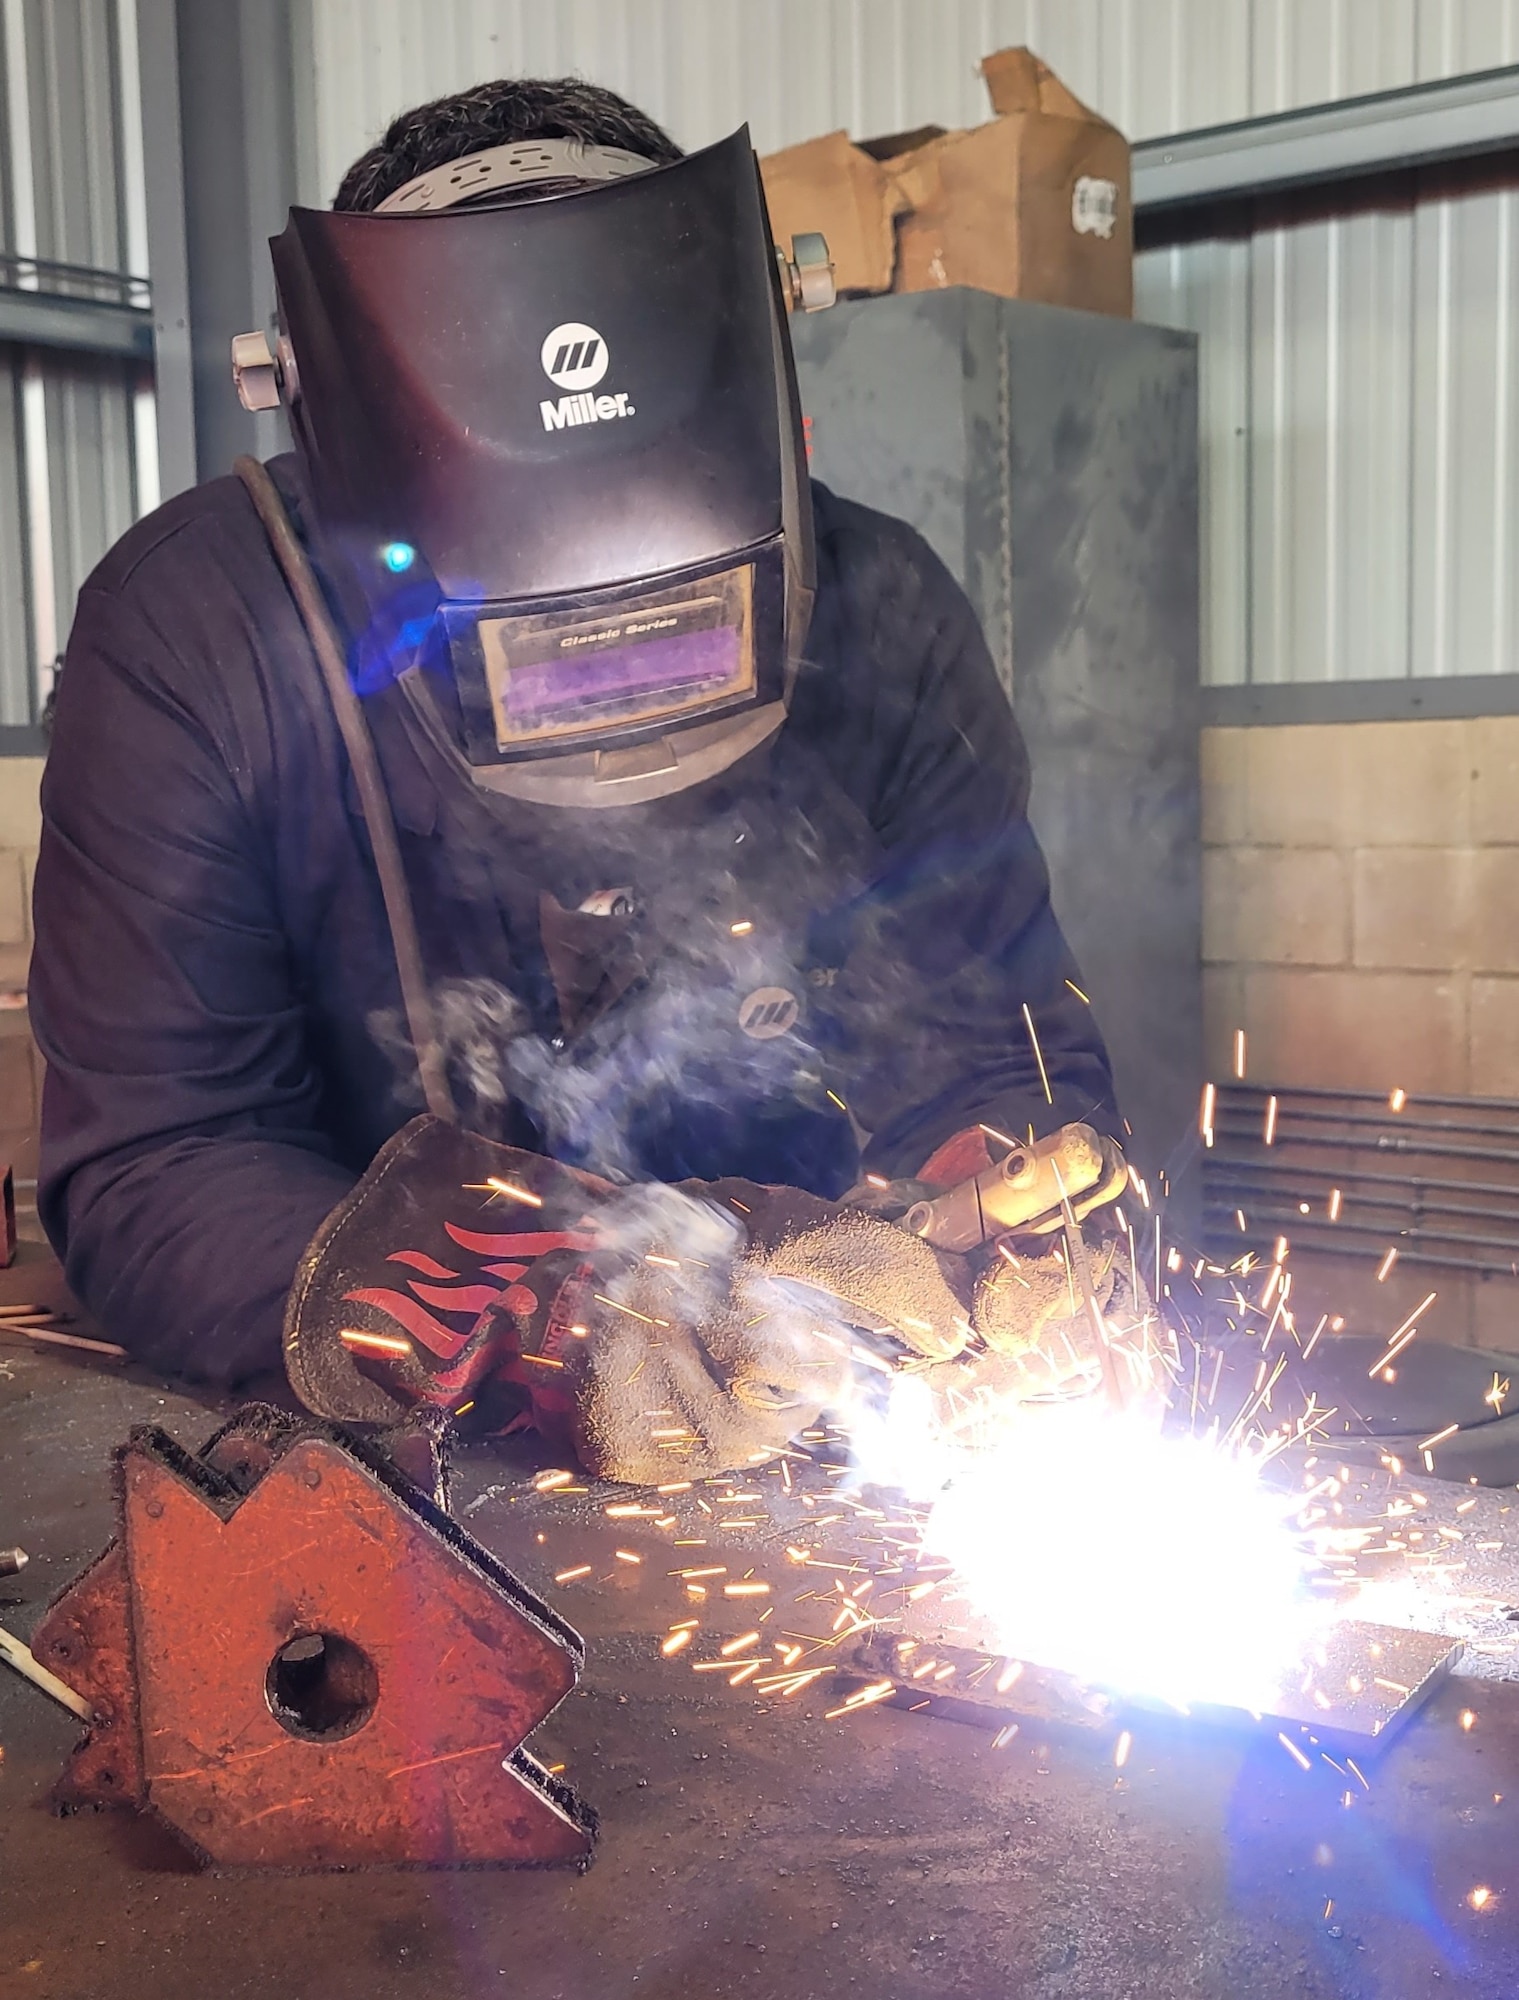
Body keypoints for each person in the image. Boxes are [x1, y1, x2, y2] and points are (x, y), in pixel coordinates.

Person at [30, 78, 1129, 1479]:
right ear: (332, 444)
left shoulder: (883, 605)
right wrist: (524, 1312)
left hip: (812, 1435)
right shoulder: (198, 637)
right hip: (394, 1463)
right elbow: (161, 1159)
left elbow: (996, 1041)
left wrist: (1012, 1200)